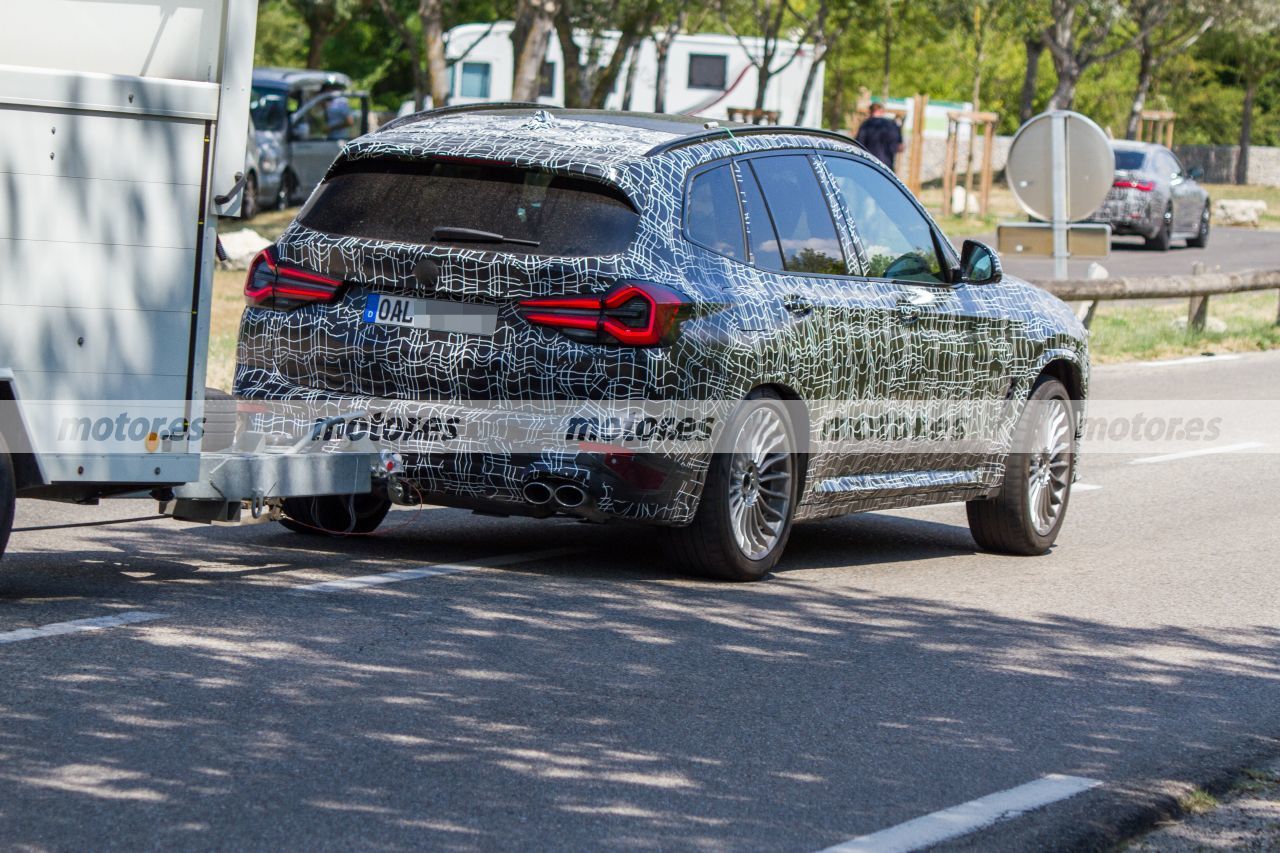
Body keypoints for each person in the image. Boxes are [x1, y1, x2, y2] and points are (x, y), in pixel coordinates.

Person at [855, 102, 904, 171]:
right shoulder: (893, 125)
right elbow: (900, 148)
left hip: (869, 165)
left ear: (870, 112)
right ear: (882, 111)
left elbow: (858, 146)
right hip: (887, 169)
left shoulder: (866, 125)